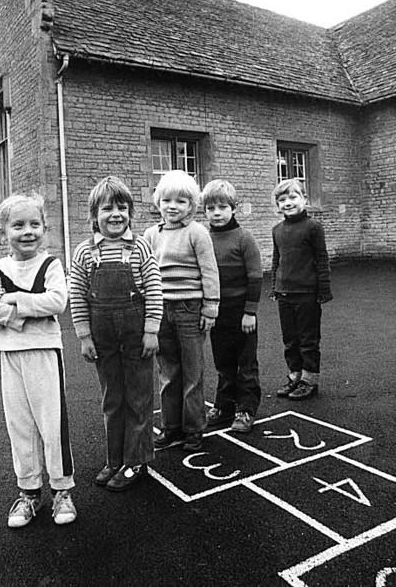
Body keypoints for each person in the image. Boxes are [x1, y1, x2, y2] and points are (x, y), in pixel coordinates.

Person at [0, 193, 77, 528]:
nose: (27, 232)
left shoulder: (51, 265)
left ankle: (62, 490)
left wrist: (16, 300)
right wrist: (24, 315)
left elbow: (57, 302)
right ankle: (29, 493)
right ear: (3, 231)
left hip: (44, 352)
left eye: (34, 224)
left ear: (45, 228)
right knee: (20, 426)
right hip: (10, 354)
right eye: (18, 225)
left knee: (51, 423)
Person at [70, 177, 163, 491]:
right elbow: (78, 296)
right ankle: (115, 458)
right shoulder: (84, 253)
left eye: (122, 207)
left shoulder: (140, 248)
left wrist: (151, 331)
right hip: (102, 336)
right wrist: (84, 336)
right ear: (94, 214)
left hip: (137, 334)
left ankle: (136, 461)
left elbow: (153, 290)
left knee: (138, 397)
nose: (115, 214)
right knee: (112, 399)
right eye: (107, 208)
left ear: (130, 212)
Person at [144, 170, 219, 452]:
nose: (173, 206)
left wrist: (210, 308)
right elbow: (146, 274)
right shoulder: (151, 234)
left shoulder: (197, 232)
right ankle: (171, 425)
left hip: (190, 309)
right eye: (167, 200)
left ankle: (194, 428)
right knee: (168, 370)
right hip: (160, 308)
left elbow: (209, 272)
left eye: (181, 201)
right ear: (158, 202)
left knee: (192, 372)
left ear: (192, 205)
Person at [202, 180, 263, 433]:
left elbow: (256, 276)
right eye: (210, 208)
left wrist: (250, 312)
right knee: (223, 363)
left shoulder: (244, 238)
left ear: (233, 208)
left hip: (241, 313)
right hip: (218, 313)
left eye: (222, 207)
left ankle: (245, 409)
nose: (216, 213)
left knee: (245, 363)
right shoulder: (203, 238)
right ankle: (224, 406)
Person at [271, 178, 333, 400]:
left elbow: (322, 259)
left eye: (293, 197)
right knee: (290, 340)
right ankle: (294, 376)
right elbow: (276, 260)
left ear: (304, 199)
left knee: (308, 340)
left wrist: (323, 291)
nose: (288, 202)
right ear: (277, 205)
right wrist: (274, 287)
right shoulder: (277, 229)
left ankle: (309, 380)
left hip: (307, 294)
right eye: (282, 199)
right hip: (284, 293)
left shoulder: (313, 227)